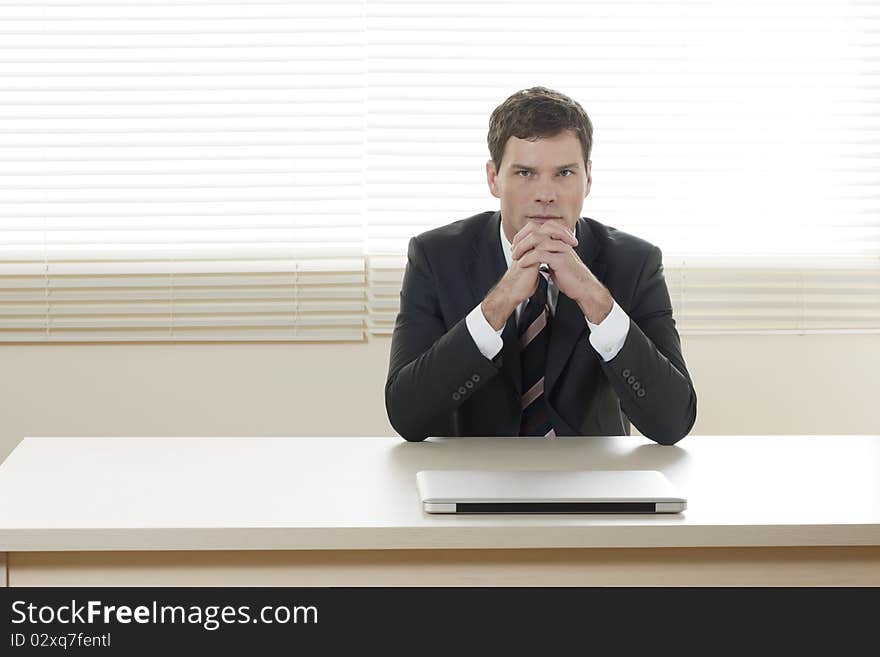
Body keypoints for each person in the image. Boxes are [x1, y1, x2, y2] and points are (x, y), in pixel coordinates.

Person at [385, 87, 697, 445]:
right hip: (472, 482)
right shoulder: (435, 256)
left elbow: (673, 422)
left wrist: (597, 301)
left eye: (564, 173)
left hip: (593, 486)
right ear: (493, 178)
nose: (545, 194)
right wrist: (497, 305)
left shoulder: (635, 263)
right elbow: (407, 416)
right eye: (525, 173)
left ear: (588, 178)